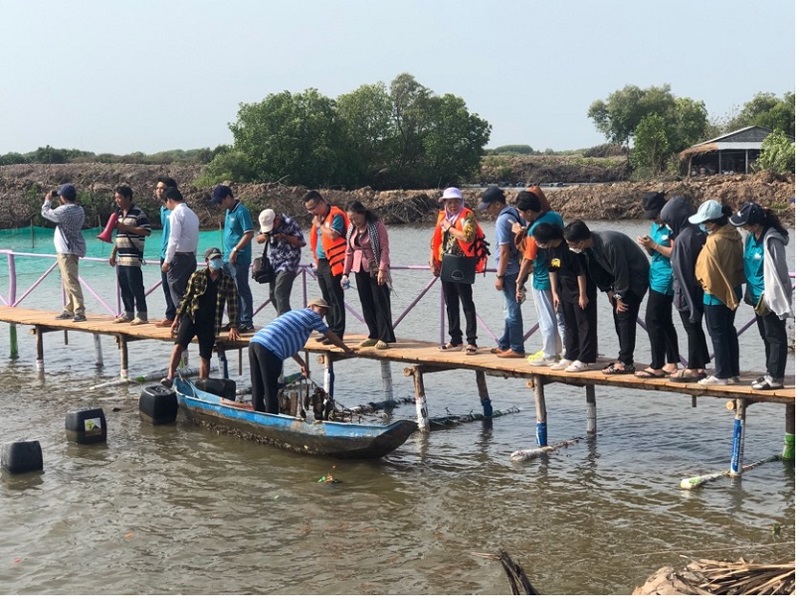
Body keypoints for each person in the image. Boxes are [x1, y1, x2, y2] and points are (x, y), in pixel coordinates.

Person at [563, 220, 650, 375]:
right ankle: (623, 358)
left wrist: (619, 296)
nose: (571, 247)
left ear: (581, 241)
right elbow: (596, 270)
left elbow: (622, 271)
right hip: (619, 282)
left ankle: (626, 362)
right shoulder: (589, 247)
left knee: (624, 315)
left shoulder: (609, 243)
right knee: (619, 316)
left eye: (572, 244)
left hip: (635, 278)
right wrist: (609, 291)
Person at [248, 298, 354, 414]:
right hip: (270, 349)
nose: (322, 315)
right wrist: (346, 349)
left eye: (325, 313)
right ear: (312, 306)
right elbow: (331, 335)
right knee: (270, 388)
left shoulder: (296, 314)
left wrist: (302, 363)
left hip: (255, 342)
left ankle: (258, 415)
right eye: (321, 310)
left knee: (257, 385)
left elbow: (289, 344)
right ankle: (270, 418)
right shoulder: (312, 316)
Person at [729, 202, 793, 390]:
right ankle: (769, 372)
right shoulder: (750, 238)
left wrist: (774, 295)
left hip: (770, 295)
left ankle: (776, 377)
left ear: (755, 224)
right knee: (766, 336)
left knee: (776, 337)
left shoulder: (772, 239)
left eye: (744, 224)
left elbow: (780, 270)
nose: (742, 228)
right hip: (756, 296)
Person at [161, 247, 240, 387]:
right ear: (207, 261)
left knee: (205, 357)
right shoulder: (197, 276)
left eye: (219, 258)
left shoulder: (227, 280)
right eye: (214, 259)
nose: (217, 261)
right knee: (179, 345)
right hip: (191, 317)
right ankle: (169, 376)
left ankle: (202, 386)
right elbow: (186, 298)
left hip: (211, 322)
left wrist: (233, 325)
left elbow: (233, 303)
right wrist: (176, 319)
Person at [689, 199, 744, 386]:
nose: (704, 226)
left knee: (717, 333)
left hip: (715, 294)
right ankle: (732, 371)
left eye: (705, 223)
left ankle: (721, 374)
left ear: (712, 222)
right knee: (729, 331)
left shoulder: (714, 241)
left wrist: (706, 286)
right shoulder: (734, 234)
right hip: (735, 288)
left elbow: (706, 272)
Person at [430, 187, 489, 355]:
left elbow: (468, 237)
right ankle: (455, 339)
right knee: (450, 303)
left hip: (463, 262)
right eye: (449, 202)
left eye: (456, 201)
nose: (453, 205)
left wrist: (449, 228)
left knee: (467, 302)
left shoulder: (467, 216)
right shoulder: (442, 216)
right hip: (445, 262)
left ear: (461, 202)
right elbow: (435, 240)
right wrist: (432, 260)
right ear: (444, 203)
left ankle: (472, 341)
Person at [660, 196, 710, 383]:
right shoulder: (698, 232)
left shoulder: (682, 239)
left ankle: (693, 368)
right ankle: (700, 364)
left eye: (668, 221)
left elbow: (681, 273)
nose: (668, 226)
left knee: (692, 328)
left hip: (685, 292)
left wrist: (689, 302)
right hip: (699, 289)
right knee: (697, 329)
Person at [534, 222, 597, 372]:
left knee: (584, 324)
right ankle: (570, 355)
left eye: (539, 241)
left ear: (548, 239)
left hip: (581, 289)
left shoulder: (569, 247)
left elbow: (580, 273)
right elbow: (553, 270)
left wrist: (583, 295)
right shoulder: (551, 250)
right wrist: (555, 293)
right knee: (569, 324)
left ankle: (586, 359)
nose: (538, 244)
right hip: (565, 291)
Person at [512, 189, 565, 366]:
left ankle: (549, 354)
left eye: (520, 212)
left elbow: (528, 258)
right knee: (560, 317)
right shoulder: (555, 217)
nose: (520, 215)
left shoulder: (535, 229)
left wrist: (519, 281)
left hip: (542, 278)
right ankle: (565, 351)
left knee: (546, 318)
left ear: (529, 212)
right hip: (559, 271)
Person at [477, 186, 526, 358]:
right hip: (518, 268)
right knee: (510, 307)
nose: (488, 212)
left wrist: (499, 275)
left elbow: (504, 251)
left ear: (497, 204)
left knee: (512, 309)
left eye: (489, 207)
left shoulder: (501, 221)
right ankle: (505, 343)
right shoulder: (514, 213)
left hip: (509, 270)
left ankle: (517, 347)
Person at [635, 192, 680, 378]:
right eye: (652, 217)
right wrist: (648, 247)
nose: (655, 219)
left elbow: (675, 253)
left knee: (652, 319)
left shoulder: (672, 227)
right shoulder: (656, 226)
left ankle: (657, 364)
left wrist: (653, 245)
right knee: (664, 320)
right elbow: (654, 254)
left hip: (667, 277)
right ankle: (672, 362)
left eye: (656, 215)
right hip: (655, 275)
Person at [341, 201, 395, 350]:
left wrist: (383, 270)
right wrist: (345, 273)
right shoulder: (351, 229)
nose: (353, 222)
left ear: (362, 213)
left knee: (380, 302)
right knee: (366, 302)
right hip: (359, 268)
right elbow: (349, 252)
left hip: (375, 268)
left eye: (355, 218)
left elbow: (384, 248)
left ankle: (385, 336)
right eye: (350, 219)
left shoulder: (377, 225)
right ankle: (373, 334)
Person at [304, 190, 350, 340]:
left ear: (322, 202)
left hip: (334, 262)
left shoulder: (335, 215)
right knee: (326, 299)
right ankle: (330, 331)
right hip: (322, 262)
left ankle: (338, 332)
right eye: (309, 210)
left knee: (336, 297)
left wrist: (319, 225)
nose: (312, 212)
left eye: (313, 208)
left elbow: (333, 234)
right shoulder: (320, 218)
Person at [210, 185, 255, 333]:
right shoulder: (229, 211)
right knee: (230, 291)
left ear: (228, 197)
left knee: (242, 289)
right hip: (227, 258)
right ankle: (234, 321)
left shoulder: (241, 211)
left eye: (220, 201)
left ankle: (246, 321)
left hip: (239, 257)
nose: (219, 205)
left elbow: (249, 234)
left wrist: (236, 250)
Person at [42, 183, 87, 322]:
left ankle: (79, 311)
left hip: (66, 250)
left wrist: (48, 200)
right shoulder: (79, 209)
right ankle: (69, 308)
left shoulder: (64, 210)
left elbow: (45, 213)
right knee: (68, 281)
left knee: (71, 281)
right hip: (72, 248)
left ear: (63, 197)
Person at [109, 185, 151, 325]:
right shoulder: (119, 214)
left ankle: (142, 315)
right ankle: (128, 313)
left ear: (128, 197)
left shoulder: (138, 213)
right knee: (124, 286)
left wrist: (127, 227)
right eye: (116, 198)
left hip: (133, 257)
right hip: (122, 257)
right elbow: (119, 235)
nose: (117, 201)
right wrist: (113, 253)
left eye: (120, 197)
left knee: (136, 286)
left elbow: (146, 231)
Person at [255, 208, 306, 316]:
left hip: (289, 262)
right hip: (275, 263)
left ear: (277, 220)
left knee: (280, 291)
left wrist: (284, 236)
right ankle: (288, 319)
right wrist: (266, 236)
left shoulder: (289, 223)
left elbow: (301, 242)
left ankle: (283, 324)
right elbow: (258, 239)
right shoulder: (267, 225)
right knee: (273, 294)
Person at [161, 187, 199, 314]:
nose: (166, 205)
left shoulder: (176, 214)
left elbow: (173, 238)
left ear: (170, 200)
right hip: (191, 256)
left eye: (166, 202)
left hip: (179, 257)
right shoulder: (192, 213)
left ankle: (183, 320)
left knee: (176, 290)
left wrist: (167, 260)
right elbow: (195, 237)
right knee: (188, 291)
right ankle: (192, 319)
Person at [155, 176, 179, 327]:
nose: (158, 191)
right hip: (164, 252)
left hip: (175, 254)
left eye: (161, 188)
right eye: (157, 188)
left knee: (176, 287)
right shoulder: (163, 209)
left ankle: (179, 316)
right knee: (165, 285)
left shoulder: (178, 209)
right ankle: (170, 314)